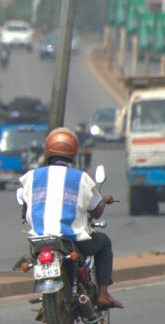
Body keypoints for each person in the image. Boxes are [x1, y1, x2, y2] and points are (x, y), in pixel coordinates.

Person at [17, 127, 123, 309]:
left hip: (39, 239)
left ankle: (46, 304)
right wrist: (104, 200)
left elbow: (24, 208)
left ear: (48, 150)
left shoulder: (32, 176)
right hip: (71, 238)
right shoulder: (81, 178)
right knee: (104, 243)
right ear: (73, 152)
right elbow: (96, 211)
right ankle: (103, 294)